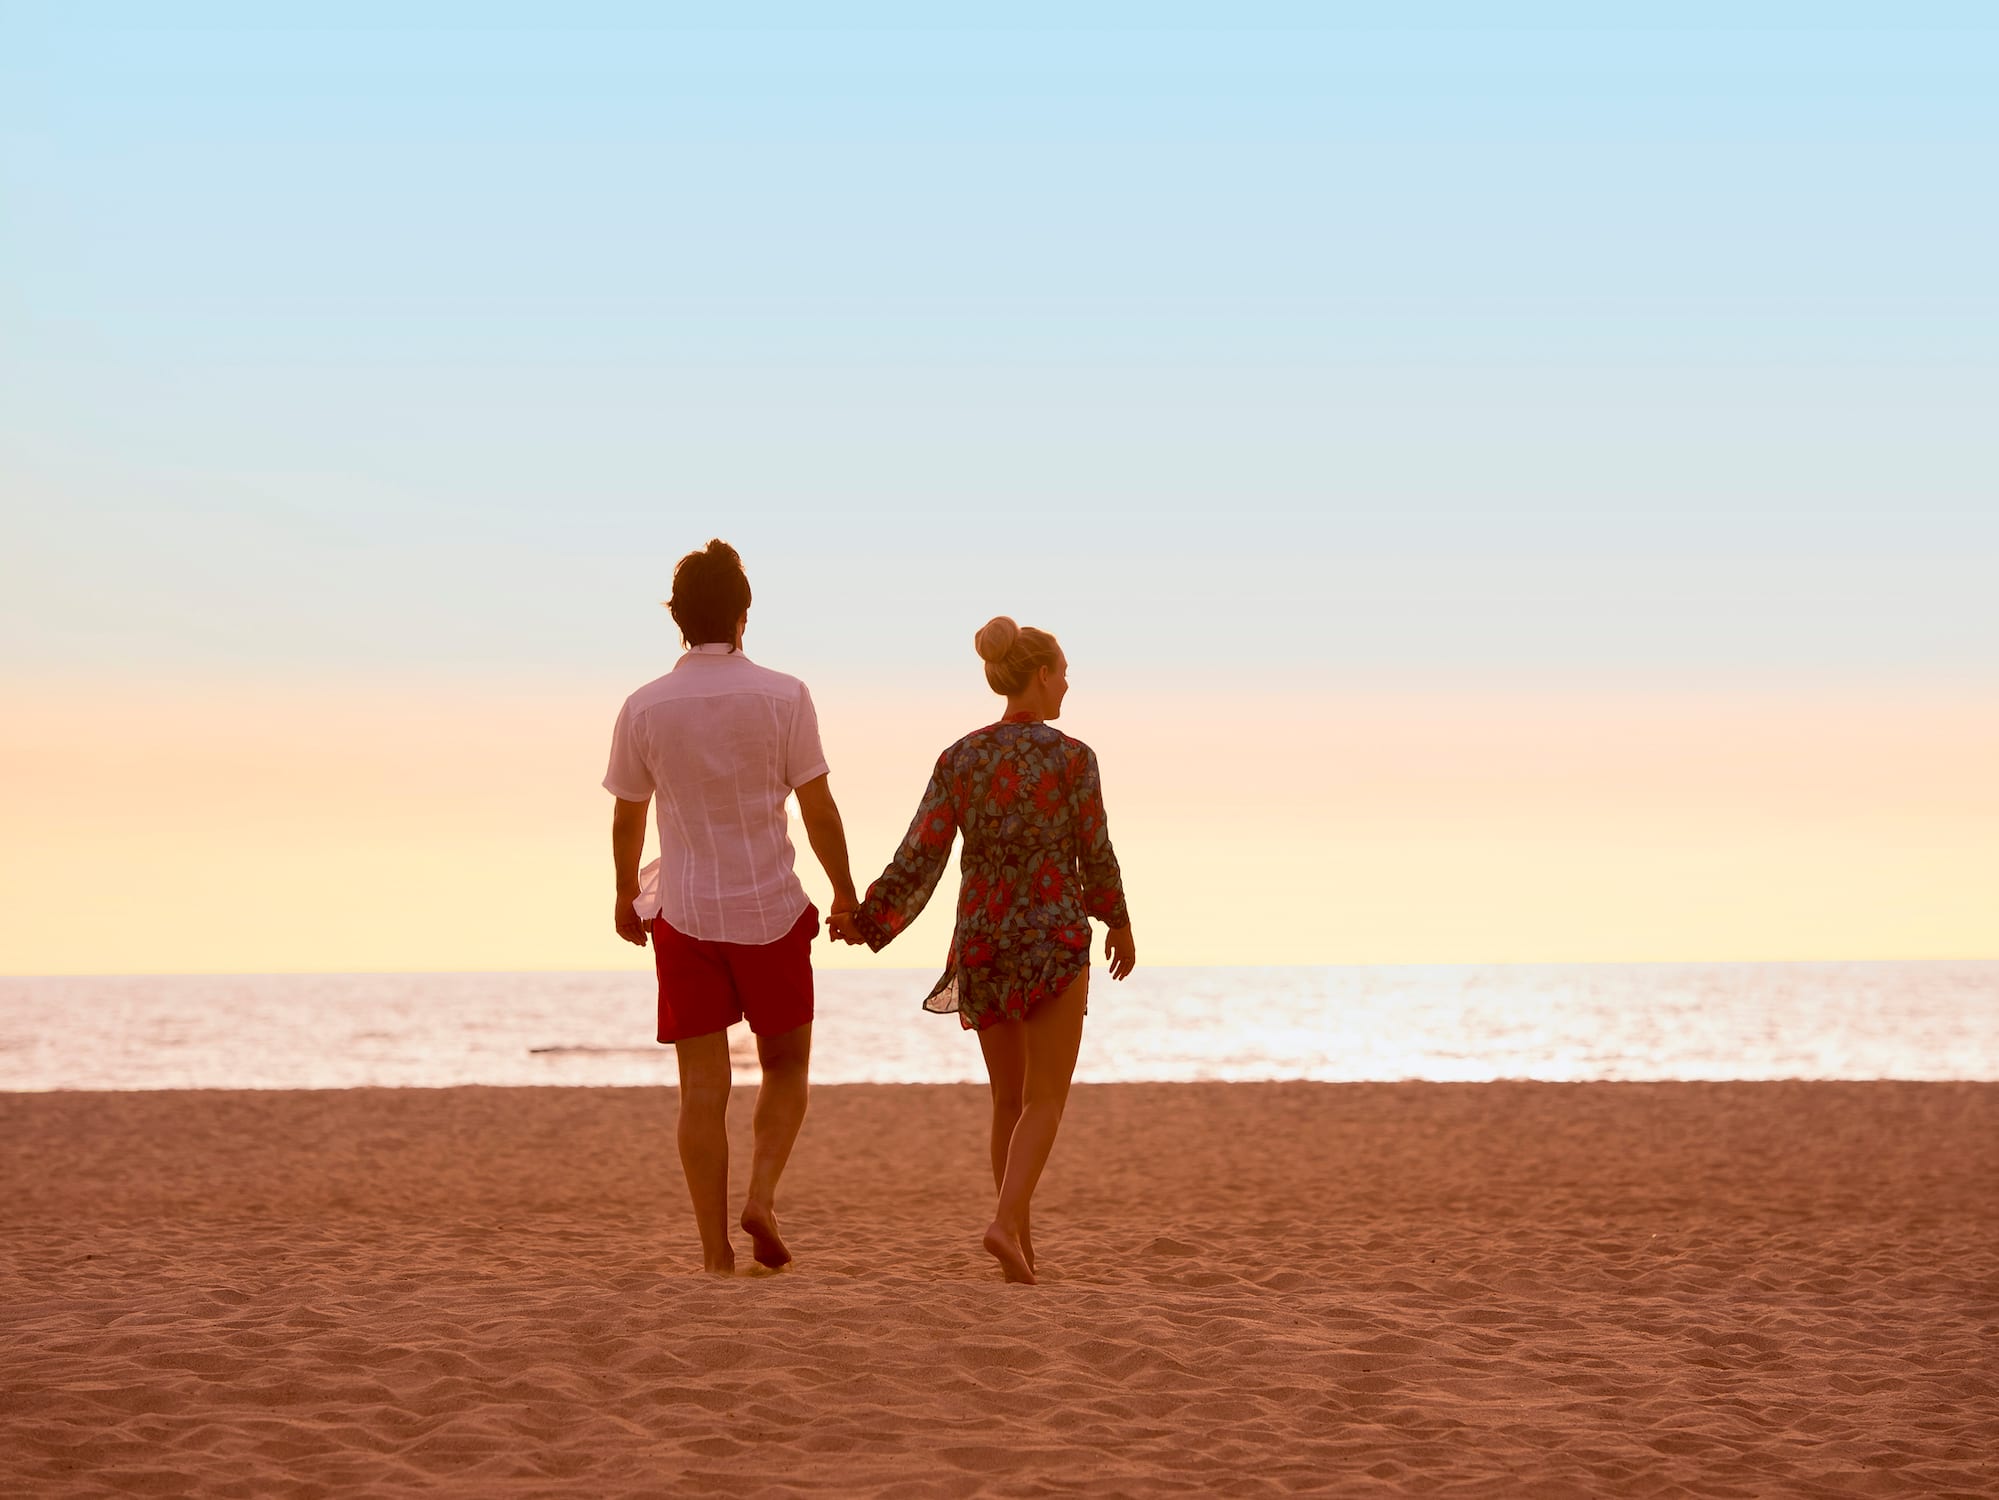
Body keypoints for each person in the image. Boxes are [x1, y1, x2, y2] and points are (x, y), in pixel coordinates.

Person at [830, 617, 1135, 1285]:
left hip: (984, 940)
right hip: (1052, 939)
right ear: (1038, 675)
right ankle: (1004, 1225)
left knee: (1008, 1101)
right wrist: (1117, 920)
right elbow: (1096, 851)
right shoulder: (1073, 758)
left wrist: (869, 920)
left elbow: (922, 851)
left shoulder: (961, 757)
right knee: (1045, 1099)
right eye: (1061, 671)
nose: (1067, 684)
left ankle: (1018, 1252)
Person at [604, 539, 860, 1275]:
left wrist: (625, 893)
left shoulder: (644, 705)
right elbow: (818, 807)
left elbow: (627, 815)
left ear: (677, 619)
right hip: (770, 909)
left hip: (684, 913)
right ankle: (762, 1194)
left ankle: (714, 1252)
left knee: (701, 1091)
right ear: (743, 615)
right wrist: (844, 892)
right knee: (786, 1065)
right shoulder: (785, 695)